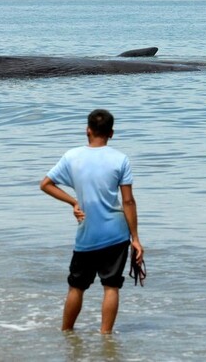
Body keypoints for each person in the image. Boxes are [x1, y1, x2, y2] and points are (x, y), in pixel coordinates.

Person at [40, 109, 143, 334]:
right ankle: (106, 338)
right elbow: (128, 201)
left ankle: (67, 335)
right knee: (111, 287)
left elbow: (45, 184)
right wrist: (135, 238)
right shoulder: (121, 159)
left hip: (87, 234)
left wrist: (73, 202)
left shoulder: (72, 156)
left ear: (87, 130)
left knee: (76, 287)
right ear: (111, 133)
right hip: (116, 233)